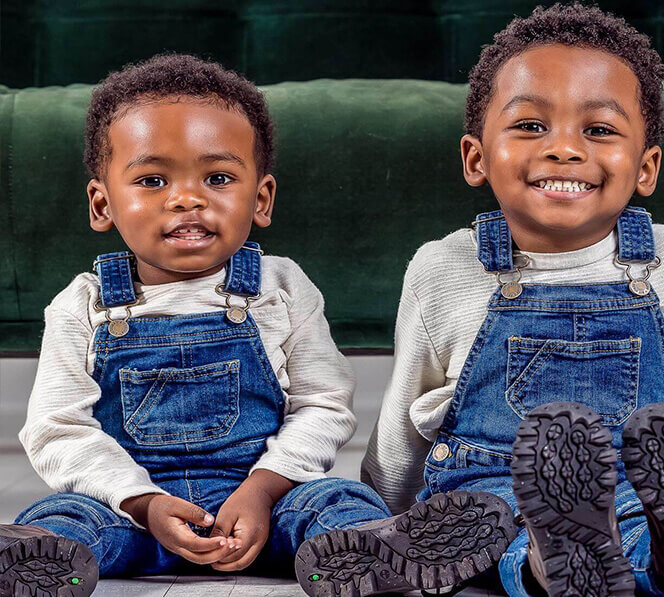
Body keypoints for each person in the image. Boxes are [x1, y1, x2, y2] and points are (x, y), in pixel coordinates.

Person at [0, 54, 505, 597]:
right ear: (103, 204)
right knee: (65, 516)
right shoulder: (84, 305)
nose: (187, 197)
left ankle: (372, 554)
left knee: (336, 500)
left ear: (260, 198)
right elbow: (59, 429)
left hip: (264, 507)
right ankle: (38, 564)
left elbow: (324, 404)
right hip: (130, 515)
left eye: (217, 177)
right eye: (151, 179)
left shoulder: (280, 289)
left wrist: (264, 490)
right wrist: (141, 502)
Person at [350, 3, 664, 596]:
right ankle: (561, 561)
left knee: (637, 524)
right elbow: (405, 413)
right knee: (496, 529)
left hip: (637, 484)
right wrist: (388, 516)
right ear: (477, 157)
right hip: (484, 493)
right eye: (530, 126)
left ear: (645, 167)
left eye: (599, 130)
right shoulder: (444, 266)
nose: (564, 149)